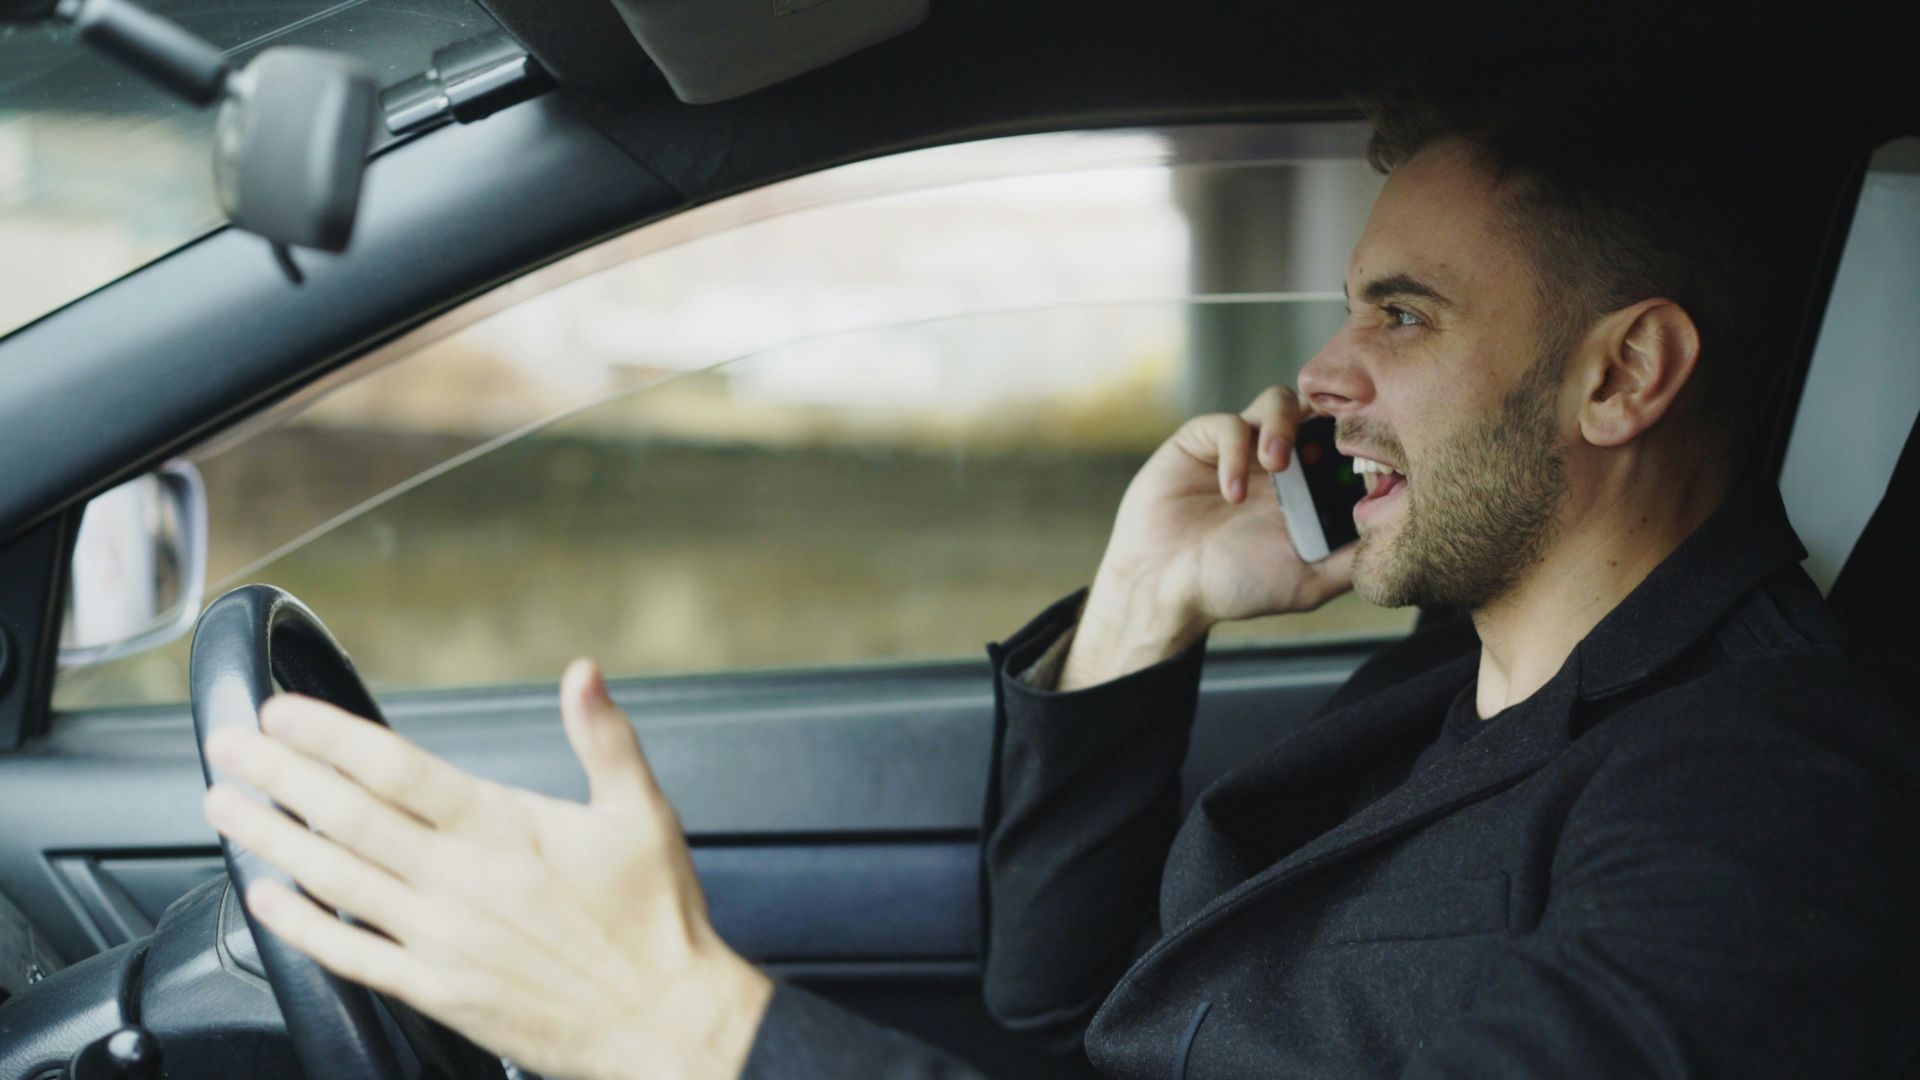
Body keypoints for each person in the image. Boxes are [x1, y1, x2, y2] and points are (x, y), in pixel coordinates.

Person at [199, 61, 1920, 1078]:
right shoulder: (1444, 679)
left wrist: (697, 1029)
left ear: (1624, 375)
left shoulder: (1771, 823)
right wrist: (1143, 607)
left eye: (1403, 316)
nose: (1323, 375)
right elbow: (1063, 1013)